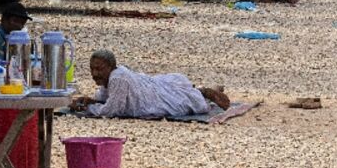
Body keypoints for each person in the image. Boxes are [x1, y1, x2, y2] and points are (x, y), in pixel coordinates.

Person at [69, 49, 230, 119]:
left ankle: (205, 92)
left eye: (99, 69)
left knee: (180, 101)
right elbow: (105, 98)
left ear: (111, 67)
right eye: (92, 69)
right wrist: (90, 101)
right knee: (176, 89)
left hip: (152, 97)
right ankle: (203, 90)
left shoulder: (118, 78)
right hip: (151, 85)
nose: (95, 73)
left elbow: (110, 111)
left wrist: (88, 108)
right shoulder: (113, 77)